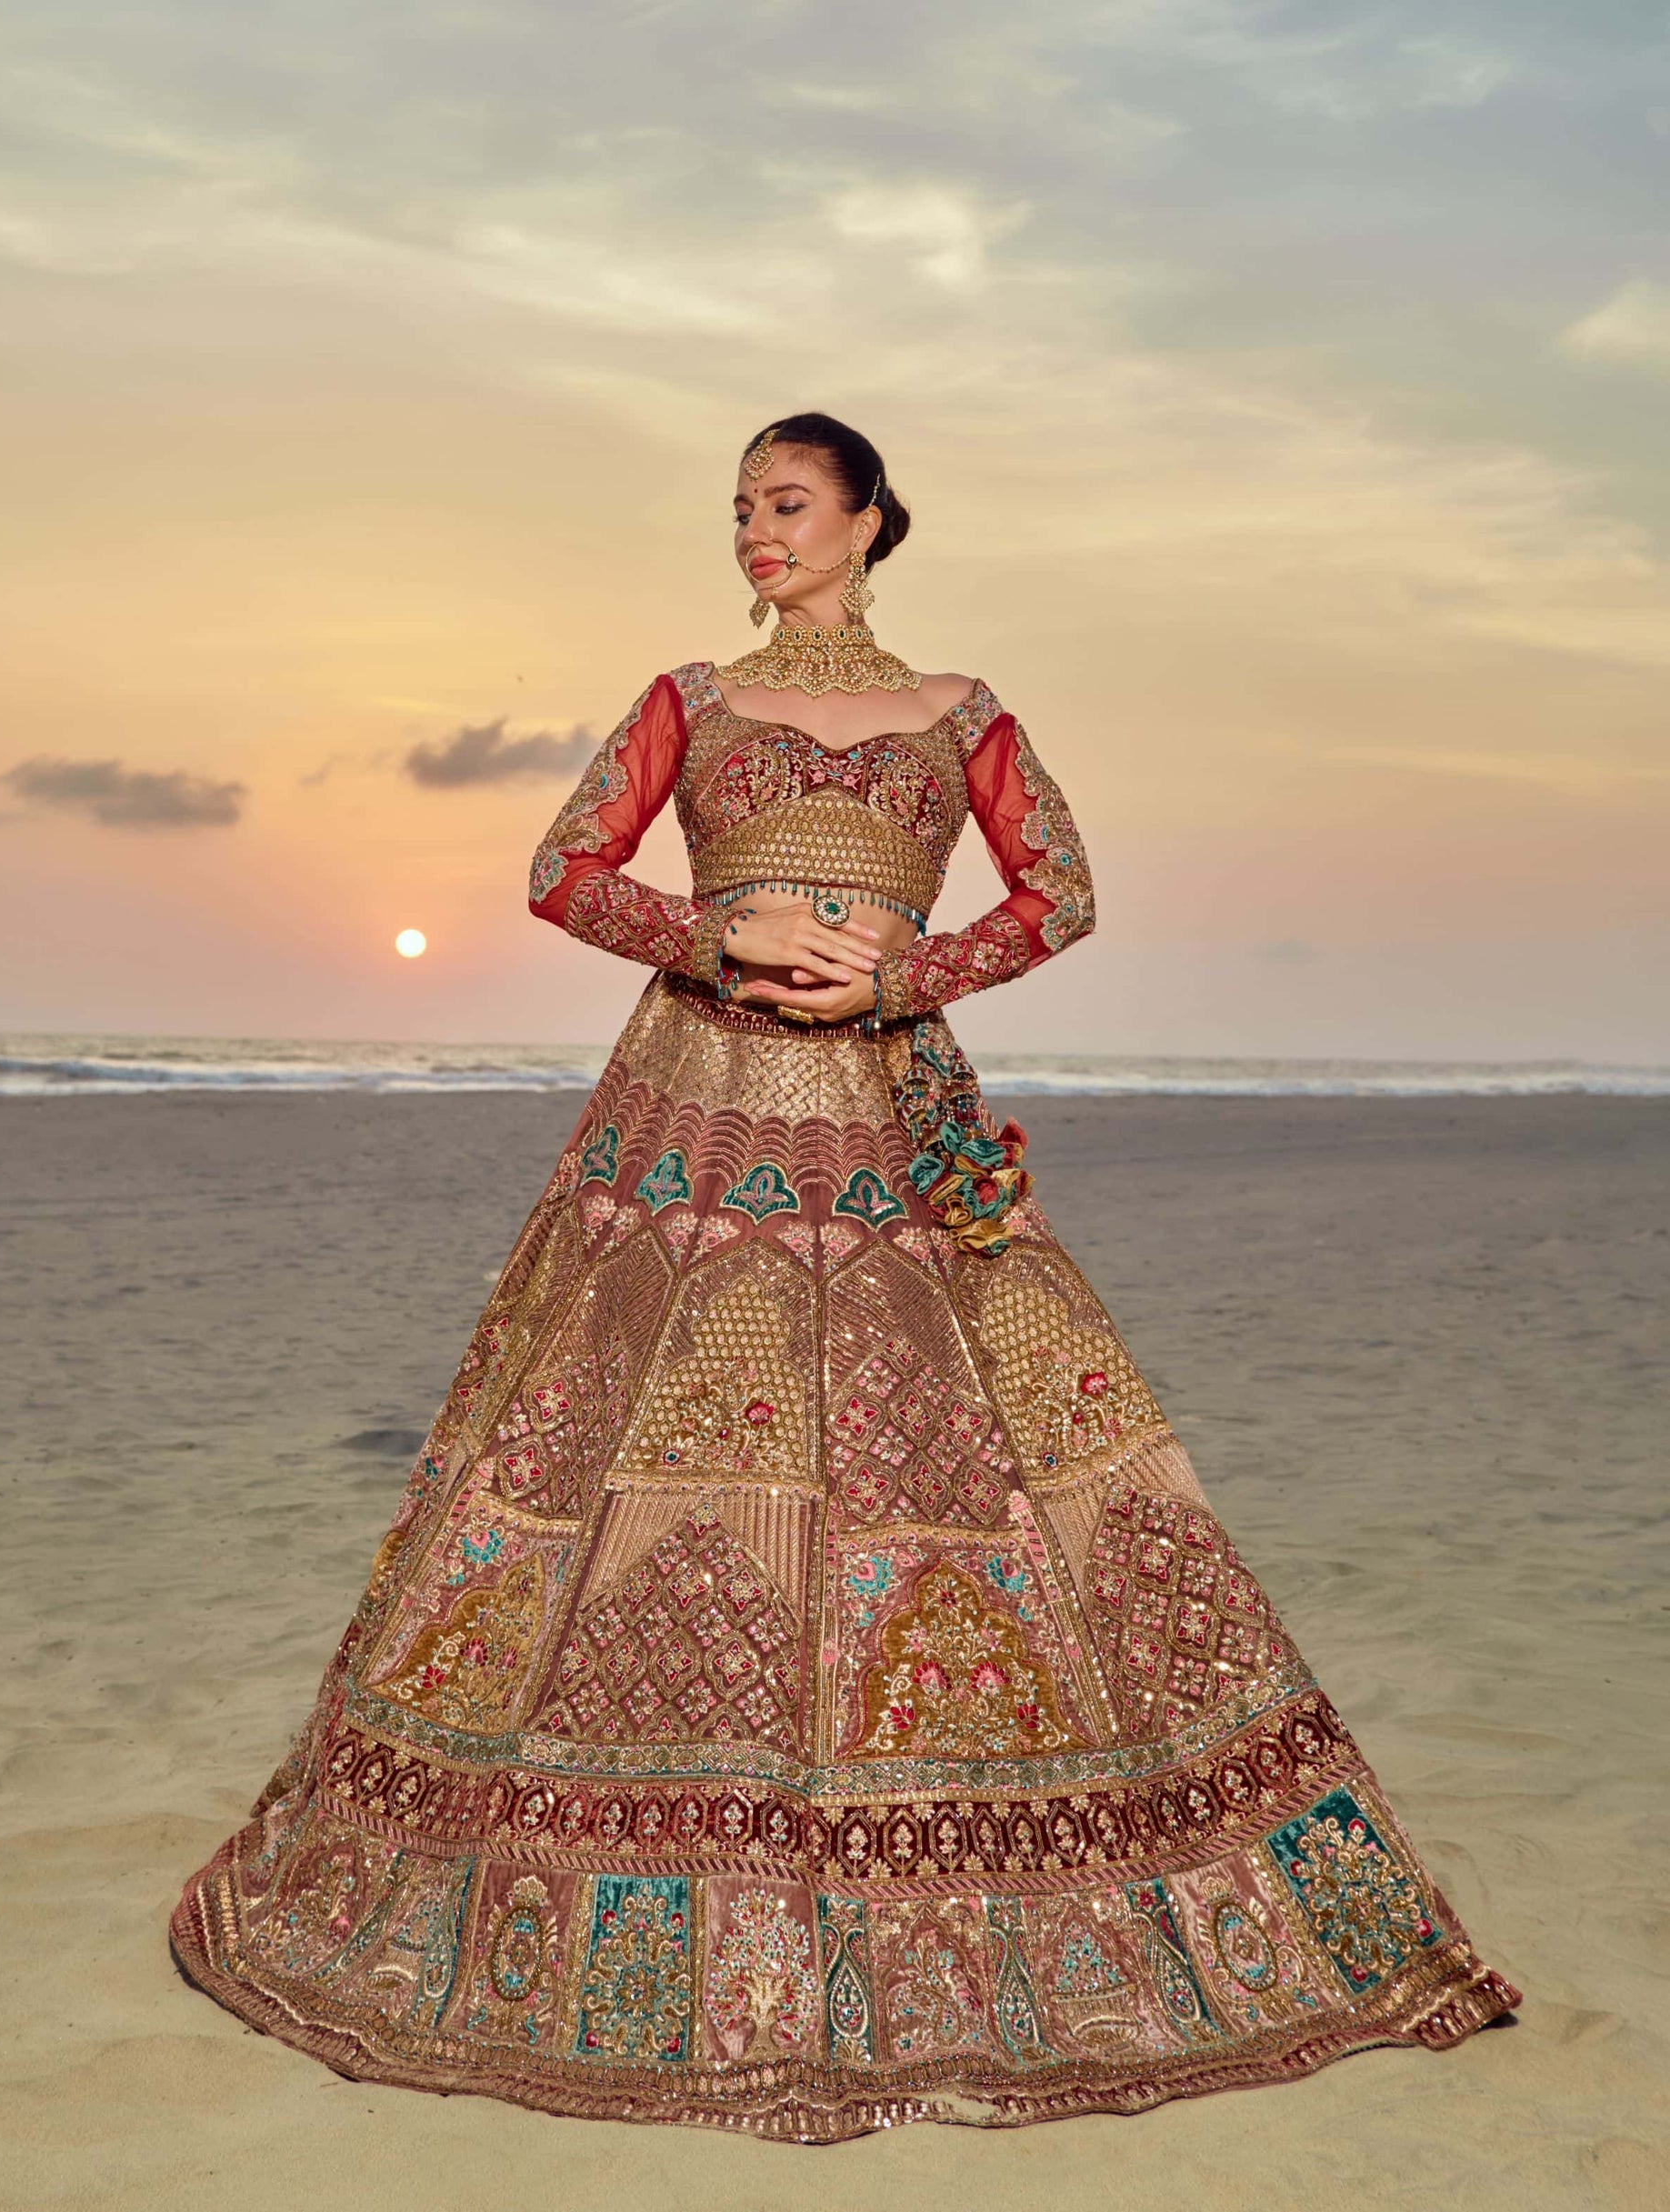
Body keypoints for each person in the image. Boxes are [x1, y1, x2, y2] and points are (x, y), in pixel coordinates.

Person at [171, 412, 1517, 2138]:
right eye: (736, 509)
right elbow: (558, 870)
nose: (754, 532)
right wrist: (710, 927)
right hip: (692, 1104)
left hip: (886, 1107)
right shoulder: (688, 700)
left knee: (922, 1449)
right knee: (627, 1452)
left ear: (870, 520)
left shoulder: (963, 715)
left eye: (786, 504)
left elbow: (1067, 890)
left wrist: (905, 976)